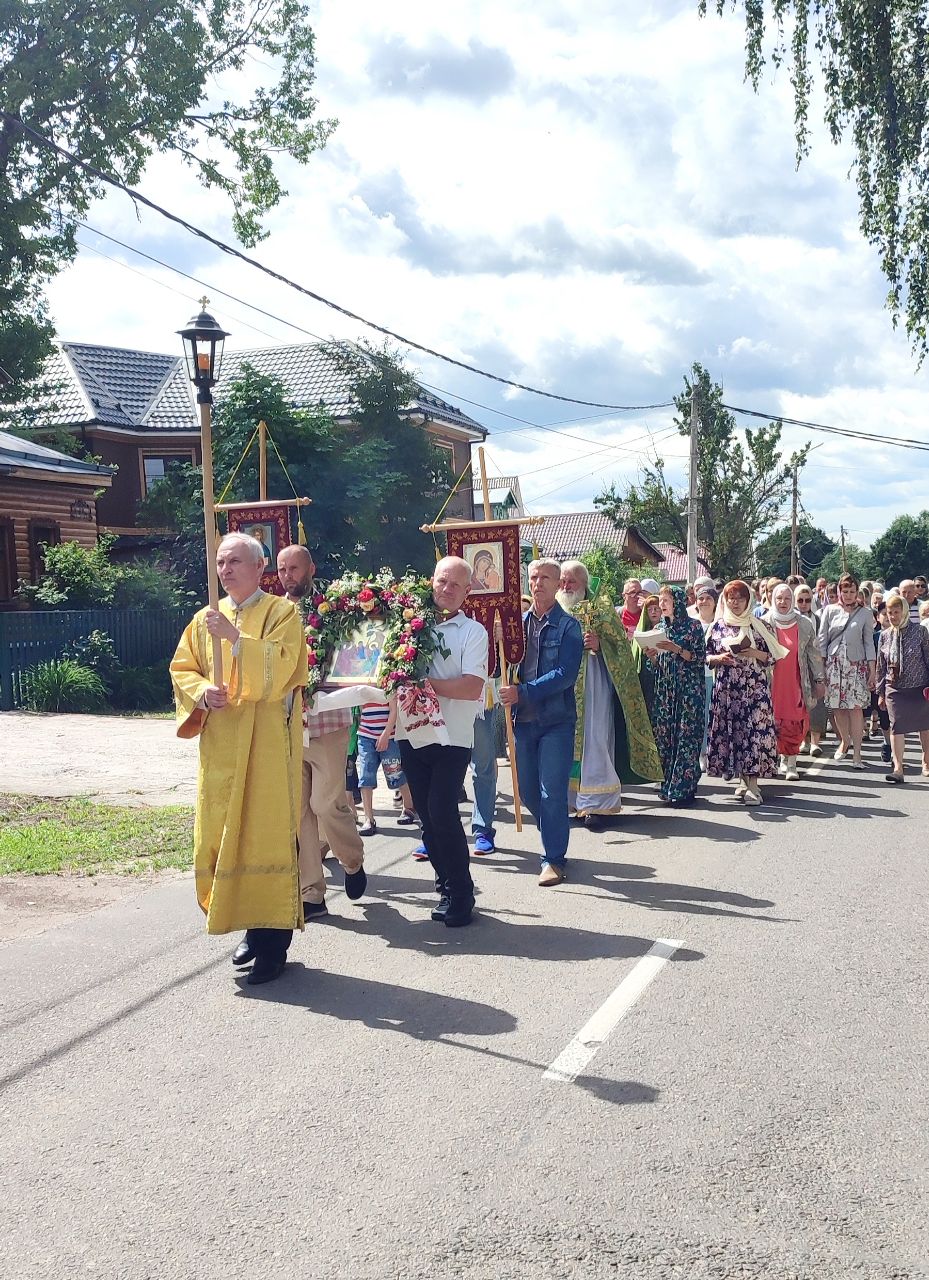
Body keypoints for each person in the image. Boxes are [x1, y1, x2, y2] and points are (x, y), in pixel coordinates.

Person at [170, 533, 307, 985]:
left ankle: (273, 945)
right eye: (220, 562)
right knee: (226, 834)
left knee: (264, 835)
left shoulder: (281, 612)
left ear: (259, 567)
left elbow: (283, 668)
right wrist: (201, 694)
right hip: (223, 746)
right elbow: (183, 668)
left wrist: (236, 641)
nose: (225, 569)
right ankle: (248, 926)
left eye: (234, 561)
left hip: (267, 745)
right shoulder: (204, 618)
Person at [277, 544, 368, 917]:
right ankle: (312, 893)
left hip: (327, 720)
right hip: (286, 724)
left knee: (326, 804)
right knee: (298, 811)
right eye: (282, 570)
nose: (288, 576)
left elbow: (356, 655)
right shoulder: (275, 612)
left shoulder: (335, 610)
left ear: (310, 568)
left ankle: (352, 861)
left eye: (294, 569)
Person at [396, 557, 487, 927]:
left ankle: (462, 893)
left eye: (455, 585)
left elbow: (471, 686)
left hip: (452, 735)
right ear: (431, 582)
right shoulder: (408, 627)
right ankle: (445, 887)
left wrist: (425, 686)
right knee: (425, 815)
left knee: (442, 810)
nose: (445, 590)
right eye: (441, 581)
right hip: (412, 731)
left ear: (467, 591)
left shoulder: (473, 632)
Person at [558, 561, 662, 828]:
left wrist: (600, 644)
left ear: (584, 584)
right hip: (563, 688)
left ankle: (596, 805)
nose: (566, 587)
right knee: (565, 744)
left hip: (594, 686)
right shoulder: (555, 609)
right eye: (563, 582)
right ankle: (570, 800)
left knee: (594, 741)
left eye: (572, 582)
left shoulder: (602, 611)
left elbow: (622, 651)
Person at [500, 559, 583, 885]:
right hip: (522, 722)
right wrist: (497, 642)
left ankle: (553, 859)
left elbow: (565, 675)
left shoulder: (568, 627)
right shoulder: (516, 625)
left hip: (556, 721)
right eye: (533, 578)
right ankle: (552, 830)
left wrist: (523, 692)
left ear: (558, 583)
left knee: (552, 795)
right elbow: (502, 666)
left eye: (545, 578)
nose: (538, 583)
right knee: (527, 794)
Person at [705, 580, 783, 805]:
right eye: (731, 598)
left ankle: (753, 786)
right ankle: (742, 780)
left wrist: (752, 652)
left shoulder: (760, 625)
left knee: (753, 735)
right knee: (734, 735)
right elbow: (705, 654)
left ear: (749, 600)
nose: (735, 602)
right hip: (728, 690)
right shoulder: (718, 626)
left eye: (740, 598)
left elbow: (772, 657)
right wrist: (718, 658)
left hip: (753, 690)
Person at [651, 585, 706, 806]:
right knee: (666, 739)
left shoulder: (693, 626)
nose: (661, 605)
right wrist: (652, 656)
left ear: (678, 602)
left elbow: (700, 658)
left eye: (666, 600)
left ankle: (685, 788)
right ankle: (668, 787)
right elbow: (655, 665)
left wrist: (677, 649)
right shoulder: (660, 627)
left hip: (688, 691)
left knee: (686, 738)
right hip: (666, 691)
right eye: (660, 601)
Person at [766, 583, 824, 780]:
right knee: (772, 720)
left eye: (787, 598)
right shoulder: (764, 622)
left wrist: (819, 679)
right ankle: (777, 759)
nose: (783, 602)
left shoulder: (804, 624)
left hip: (796, 681)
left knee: (794, 721)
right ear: (773, 599)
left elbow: (813, 654)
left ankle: (791, 762)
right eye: (779, 598)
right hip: (771, 682)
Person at [818, 573, 876, 769]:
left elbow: (869, 643)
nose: (849, 595)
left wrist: (872, 670)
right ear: (839, 592)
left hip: (855, 664)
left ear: (857, 592)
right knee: (837, 706)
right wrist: (821, 668)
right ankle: (844, 740)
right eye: (845, 591)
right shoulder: (829, 611)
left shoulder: (865, 613)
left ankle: (857, 754)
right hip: (834, 664)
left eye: (852, 591)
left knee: (856, 708)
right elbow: (822, 641)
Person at [876, 593, 929, 783]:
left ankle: (927, 761)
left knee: (925, 725)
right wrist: (880, 692)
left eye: (896, 612)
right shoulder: (885, 636)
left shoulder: (920, 631)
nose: (892, 616)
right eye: (889, 612)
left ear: (904, 611)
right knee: (896, 726)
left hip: (919, 687)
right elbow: (881, 666)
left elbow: (928, 658)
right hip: (894, 688)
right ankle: (898, 768)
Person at [357, 700, 417, 835]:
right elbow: (361, 707)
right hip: (366, 735)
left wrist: (386, 733)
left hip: (389, 735)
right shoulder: (362, 681)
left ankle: (408, 806)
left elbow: (394, 709)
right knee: (365, 775)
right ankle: (368, 818)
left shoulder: (386, 681)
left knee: (395, 772)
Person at [794, 584, 828, 756]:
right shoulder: (790, 619)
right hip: (797, 666)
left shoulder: (818, 619)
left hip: (815, 664)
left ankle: (815, 741)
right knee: (800, 703)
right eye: (800, 600)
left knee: (817, 702)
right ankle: (803, 740)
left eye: (807, 600)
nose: (804, 603)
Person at [633, 593, 663, 720]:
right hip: (646, 678)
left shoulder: (669, 628)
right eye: (649, 609)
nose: (653, 612)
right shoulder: (643, 629)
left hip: (662, 679)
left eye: (656, 608)